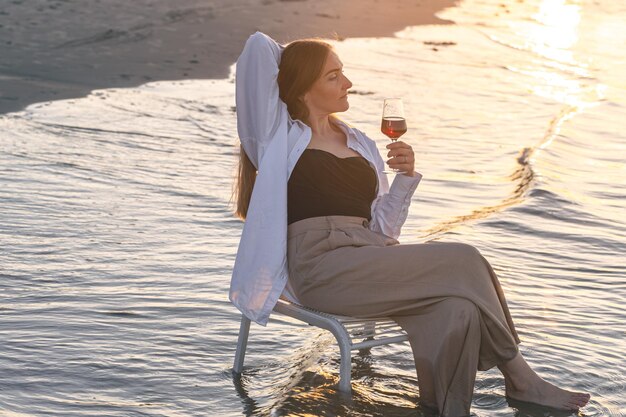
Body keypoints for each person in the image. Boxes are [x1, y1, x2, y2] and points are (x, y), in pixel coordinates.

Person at [229, 32, 591, 416]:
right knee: (465, 258)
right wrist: (298, 57)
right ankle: (520, 377)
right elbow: (256, 47)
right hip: (319, 268)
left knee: (458, 309)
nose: (348, 84)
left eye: (343, 73)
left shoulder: (361, 142)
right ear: (302, 89)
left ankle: (444, 409)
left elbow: (384, 230)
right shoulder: (276, 137)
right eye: (332, 76)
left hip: (367, 254)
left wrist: (405, 178)